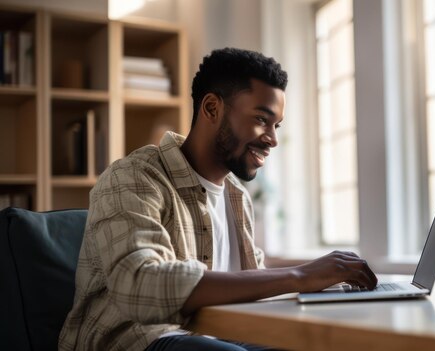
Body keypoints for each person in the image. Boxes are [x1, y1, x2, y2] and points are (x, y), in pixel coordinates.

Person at [58, 48, 377, 351]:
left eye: (276, 125)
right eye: (261, 119)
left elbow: (252, 288)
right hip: (137, 340)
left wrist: (328, 286)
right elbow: (139, 284)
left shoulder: (238, 198)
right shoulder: (132, 177)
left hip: (217, 338)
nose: (273, 139)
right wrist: (301, 275)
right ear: (212, 108)